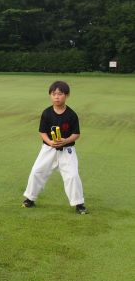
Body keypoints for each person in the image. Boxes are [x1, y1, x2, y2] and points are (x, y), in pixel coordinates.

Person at [22, 81, 88, 214]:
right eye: (54, 94)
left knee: (72, 176)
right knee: (36, 171)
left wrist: (65, 141)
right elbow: (42, 132)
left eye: (60, 94)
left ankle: (79, 204)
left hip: (67, 150)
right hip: (48, 149)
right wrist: (50, 142)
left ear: (67, 95)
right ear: (50, 95)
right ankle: (30, 199)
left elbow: (76, 134)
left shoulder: (71, 115)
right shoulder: (46, 113)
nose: (57, 97)